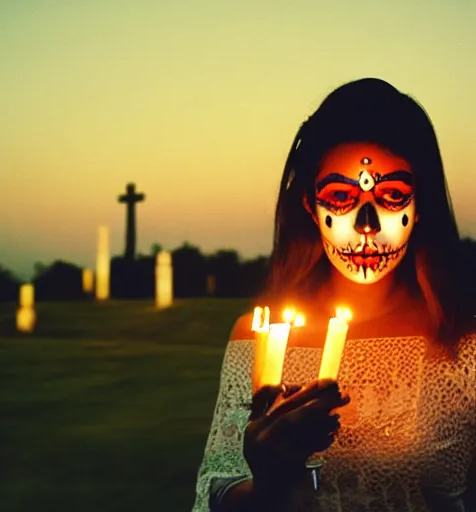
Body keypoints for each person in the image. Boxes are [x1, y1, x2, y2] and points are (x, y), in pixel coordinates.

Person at [192, 78, 476, 511]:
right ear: (309, 203)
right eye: (341, 196)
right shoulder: (260, 337)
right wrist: (268, 482)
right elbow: (215, 492)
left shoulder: (463, 343)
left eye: (393, 195)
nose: (366, 224)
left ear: (421, 208)